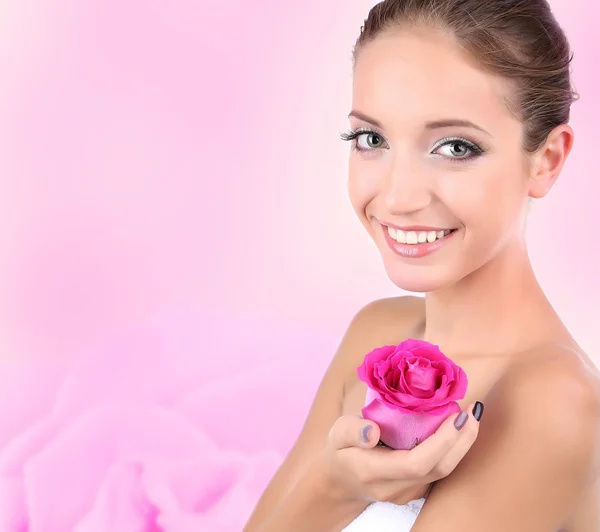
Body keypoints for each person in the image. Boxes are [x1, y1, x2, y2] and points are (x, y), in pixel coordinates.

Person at [243, 0, 600, 530]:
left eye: (455, 147)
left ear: (546, 160)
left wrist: (333, 491)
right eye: (372, 139)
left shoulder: (550, 402)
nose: (398, 197)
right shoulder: (378, 331)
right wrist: (333, 488)